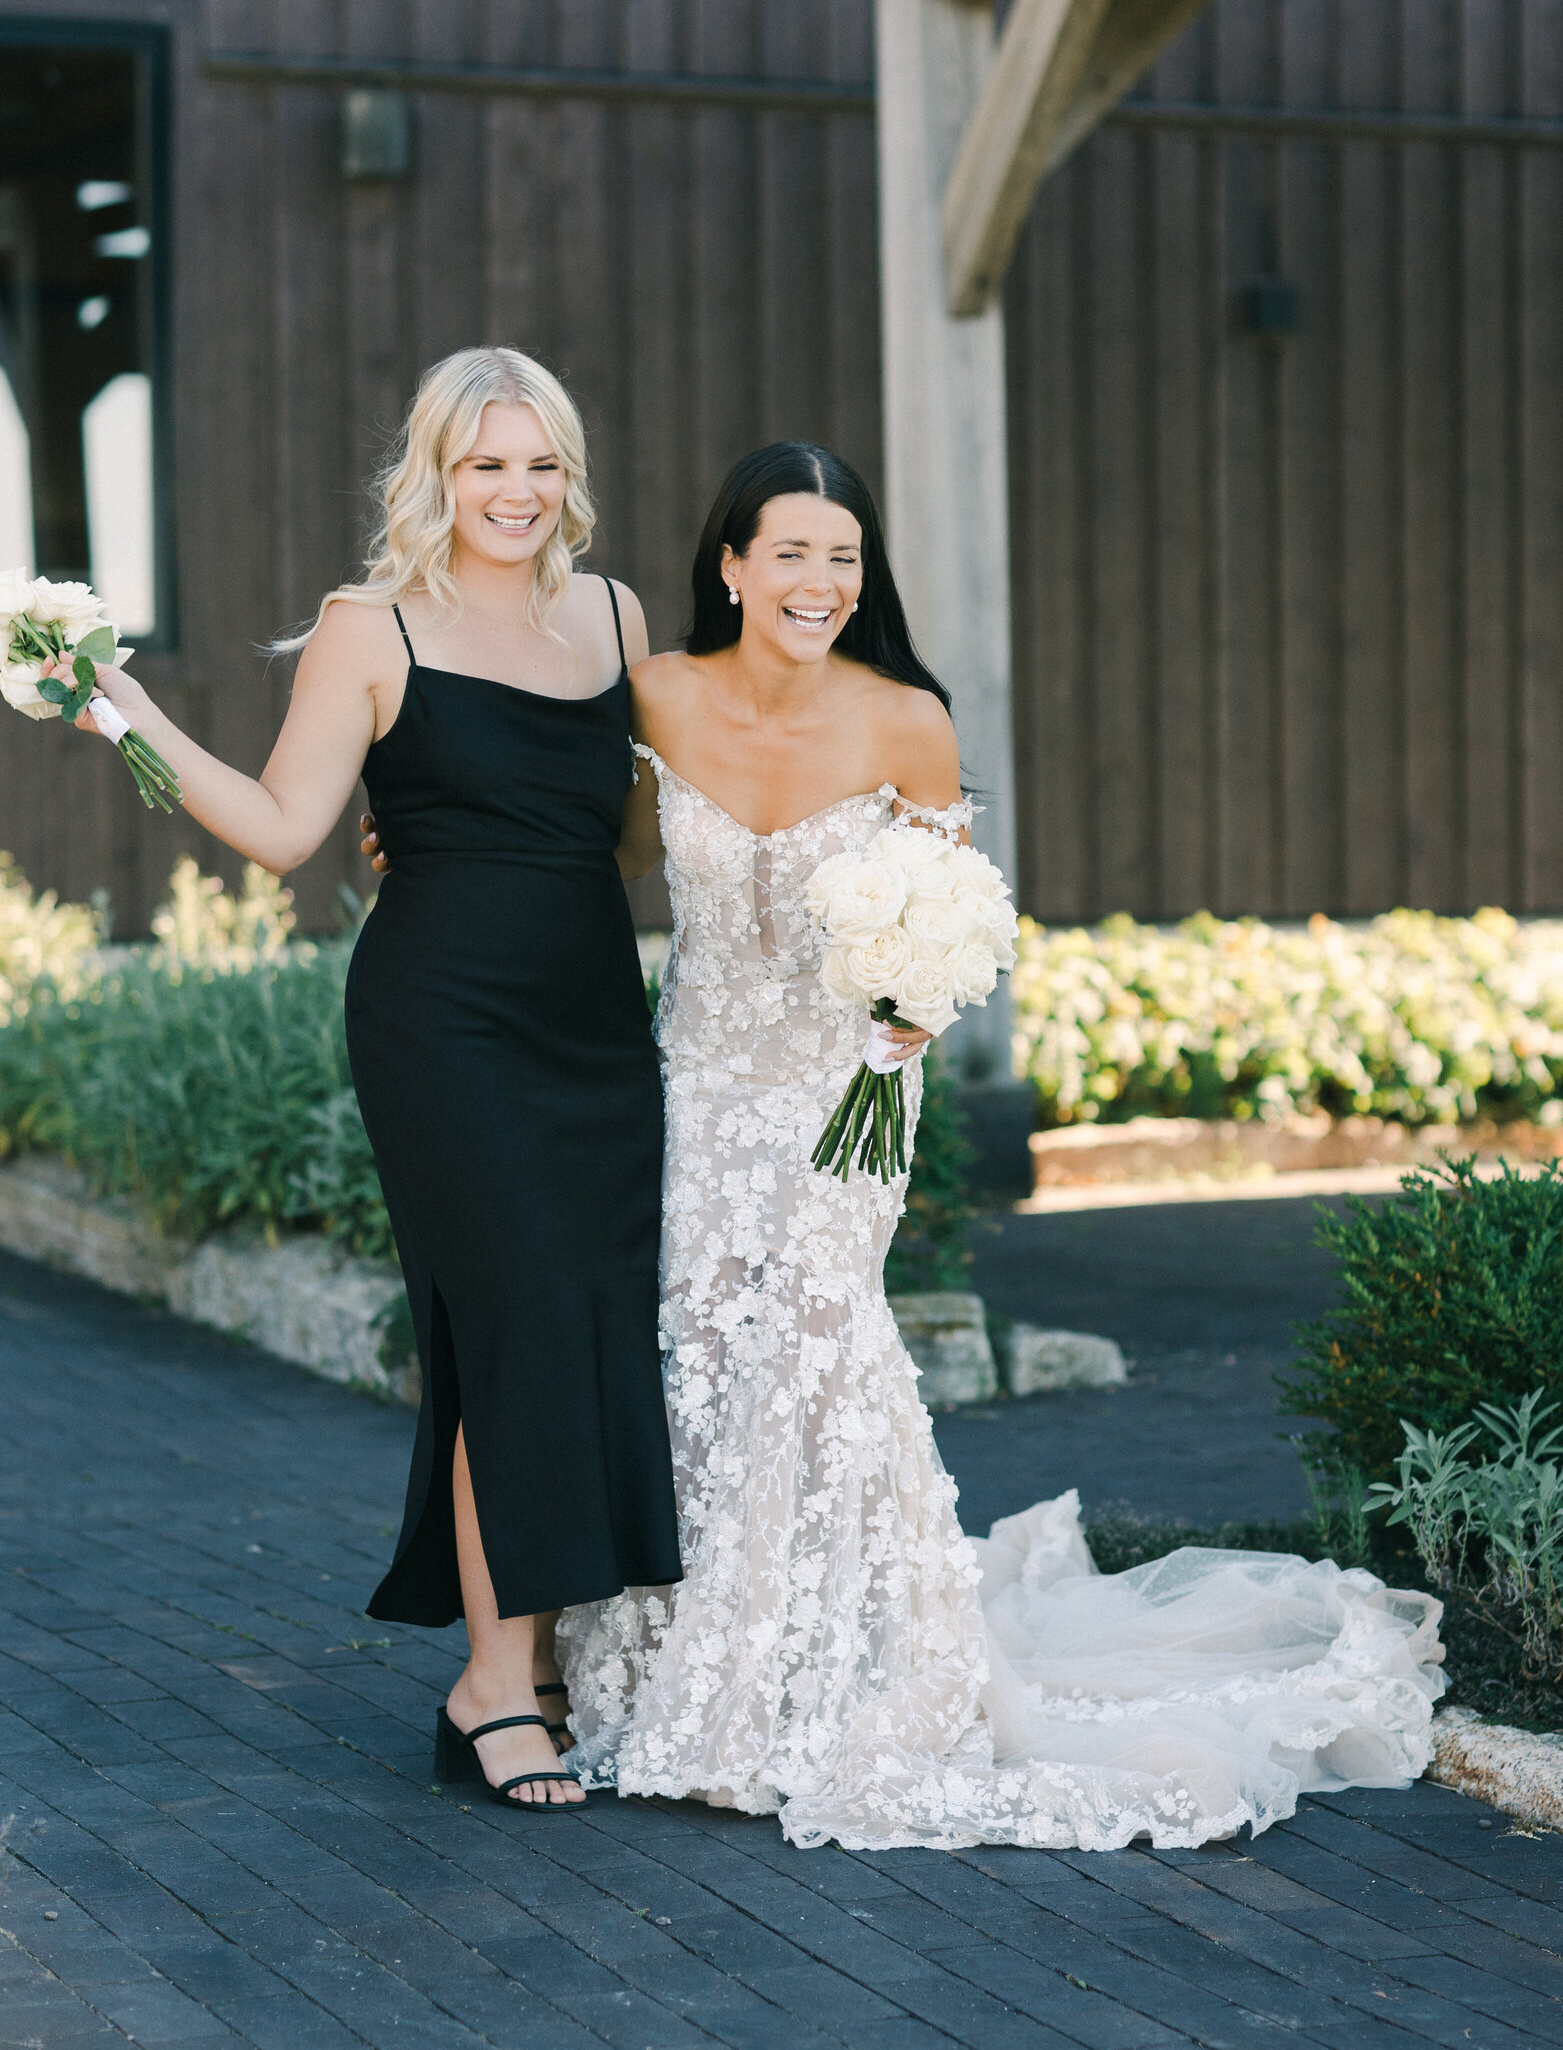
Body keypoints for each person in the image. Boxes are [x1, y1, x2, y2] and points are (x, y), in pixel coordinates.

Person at [546, 437, 1444, 1850]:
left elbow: (952, 914)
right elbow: (591, 857)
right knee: (696, 1342)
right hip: (698, 1081)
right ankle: (683, 1662)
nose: (819, 581)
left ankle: (816, 1687)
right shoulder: (654, 697)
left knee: (811, 1337)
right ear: (729, 565)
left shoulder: (907, 719)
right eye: (790, 552)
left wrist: (914, 1010)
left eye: (842, 557)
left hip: (852, 1086)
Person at [79, 346, 683, 1813]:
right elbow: (287, 830)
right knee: (517, 1316)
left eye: (542, 464)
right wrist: (123, 712)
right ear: (435, 473)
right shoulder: (370, 625)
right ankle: (492, 1684)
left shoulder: (616, 614)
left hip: (595, 1017)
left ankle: (525, 1658)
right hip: (445, 1025)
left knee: (581, 1320)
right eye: (487, 464)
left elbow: (632, 843)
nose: (519, 492)